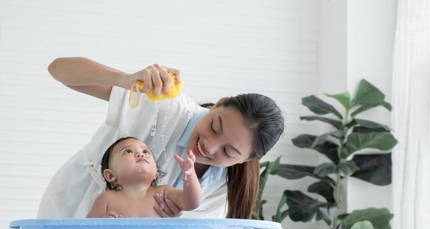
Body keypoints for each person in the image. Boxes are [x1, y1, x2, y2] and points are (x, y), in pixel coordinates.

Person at [37, 57, 284, 219]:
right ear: (217, 105)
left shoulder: (223, 184)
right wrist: (125, 80)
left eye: (228, 152)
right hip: (72, 211)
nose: (209, 145)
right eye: (215, 126)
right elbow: (58, 69)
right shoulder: (164, 107)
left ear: (246, 159)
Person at [87, 137, 201, 218]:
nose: (140, 154)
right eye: (128, 151)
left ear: (156, 174)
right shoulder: (106, 198)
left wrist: (190, 175)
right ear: (110, 175)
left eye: (145, 151)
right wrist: (103, 223)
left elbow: (191, 202)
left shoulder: (164, 192)